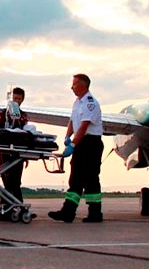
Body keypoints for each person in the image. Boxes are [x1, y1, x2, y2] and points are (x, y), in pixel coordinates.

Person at [48, 73, 103, 223]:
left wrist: (73, 144)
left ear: (83, 86)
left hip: (90, 143)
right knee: (75, 178)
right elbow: (72, 121)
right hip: (80, 142)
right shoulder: (77, 102)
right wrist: (67, 136)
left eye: (74, 84)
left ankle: (95, 213)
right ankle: (68, 212)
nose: (71, 87)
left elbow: (84, 126)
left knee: (91, 178)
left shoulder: (90, 103)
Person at [0, 86, 28, 220]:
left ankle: (15, 209)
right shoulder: (4, 113)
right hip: (5, 151)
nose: (16, 101)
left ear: (22, 100)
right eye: (15, 98)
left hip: (18, 152)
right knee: (8, 182)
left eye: (19, 99)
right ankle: (12, 210)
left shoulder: (23, 115)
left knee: (16, 182)